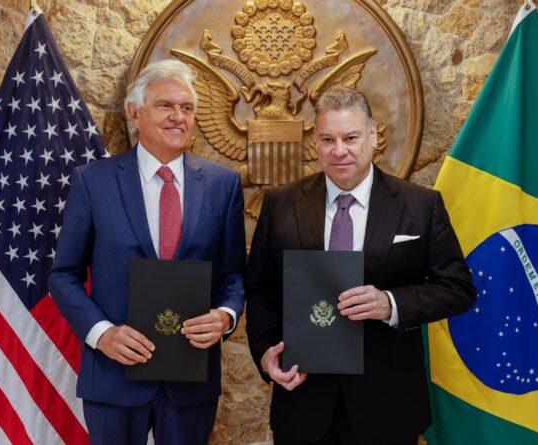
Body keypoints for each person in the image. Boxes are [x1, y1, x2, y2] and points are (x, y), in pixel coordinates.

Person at [245, 86, 476, 445]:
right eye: (327, 139)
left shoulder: (420, 205)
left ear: (372, 136)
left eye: (350, 137)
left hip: (388, 406)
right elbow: (261, 289)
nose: (339, 151)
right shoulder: (280, 204)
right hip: (303, 402)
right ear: (316, 143)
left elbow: (458, 288)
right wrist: (265, 354)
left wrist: (391, 304)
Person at [49, 59, 246, 445]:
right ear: (134, 113)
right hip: (113, 377)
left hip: (191, 380)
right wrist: (101, 334)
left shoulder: (223, 184)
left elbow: (234, 275)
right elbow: (63, 275)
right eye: (166, 106)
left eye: (186, 108)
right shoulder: (93, 182)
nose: (178, 117)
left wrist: (224, 317)